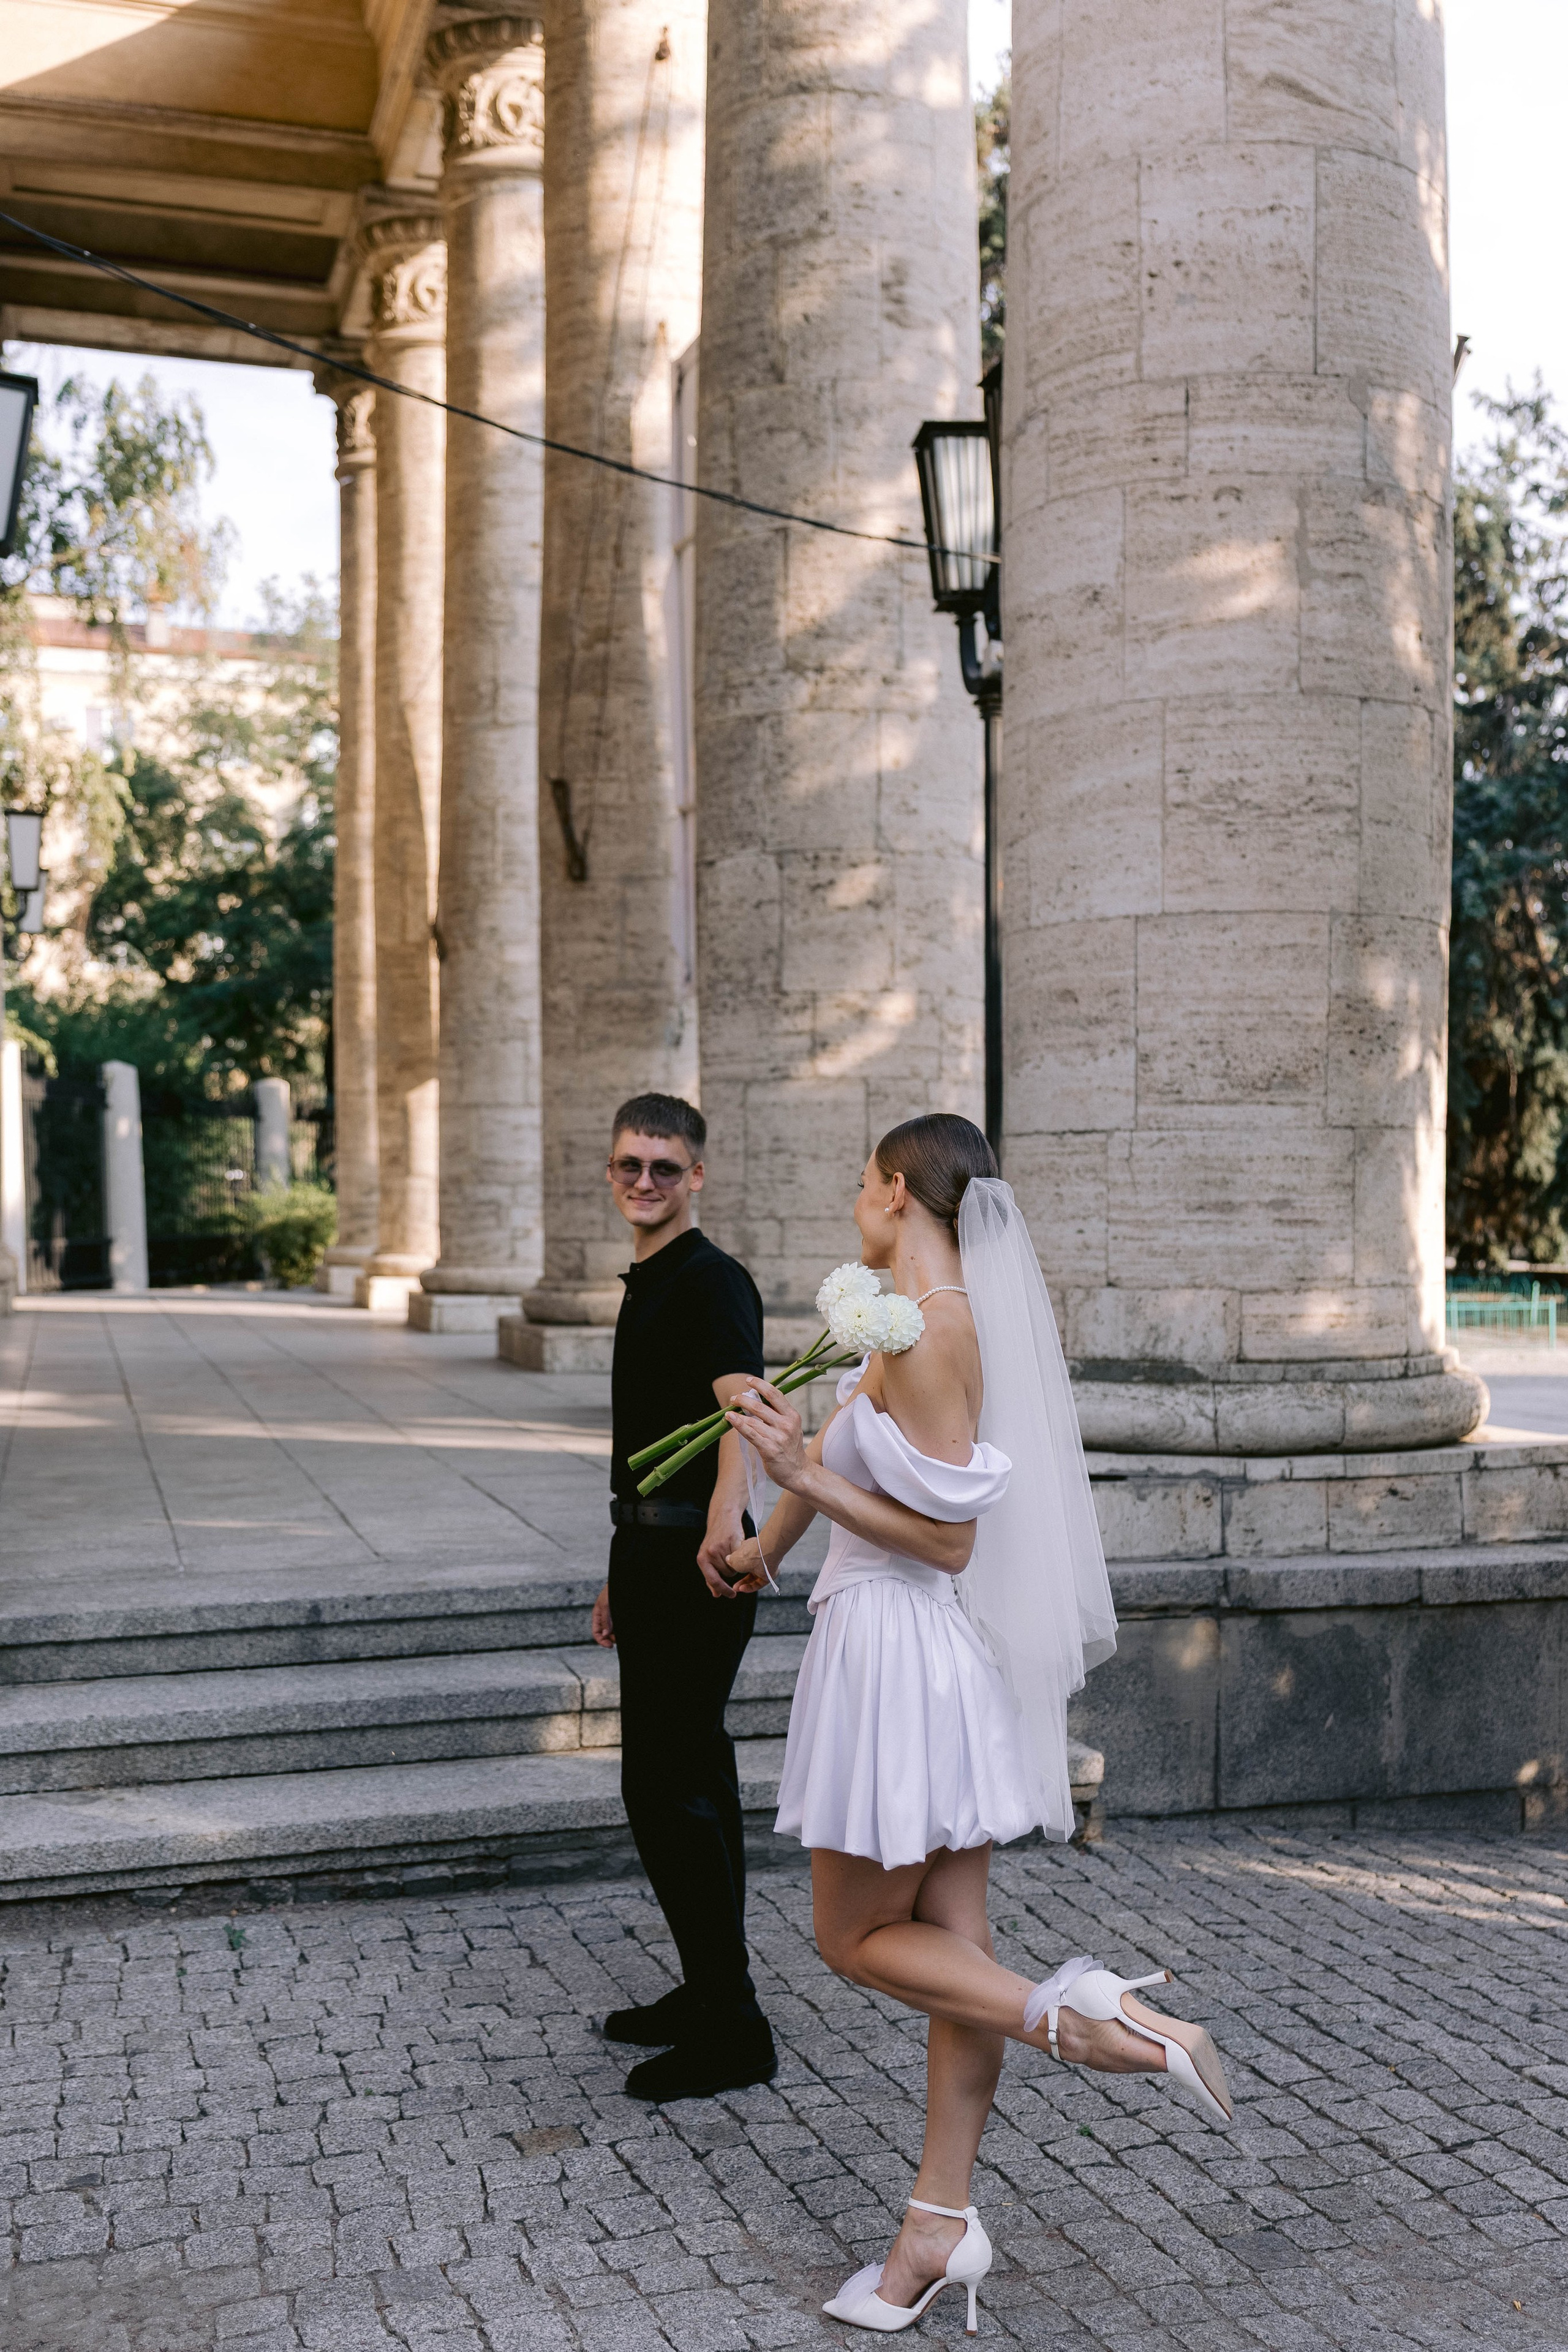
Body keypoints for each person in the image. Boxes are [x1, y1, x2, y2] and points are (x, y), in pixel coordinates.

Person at [724, 1112, 1233, 2334]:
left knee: (852, 1937)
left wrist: (795, 1475)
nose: (855, 1200)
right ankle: (935, 2226)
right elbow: (850, 1455)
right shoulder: (904, 1324)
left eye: (863, 1181)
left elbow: (947, 1540)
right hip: (918, 1656)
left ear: (899, 1191)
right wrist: (755, 1543)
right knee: (955, 1948)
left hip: (893, 1655)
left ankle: (1083, 2016)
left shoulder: (930, 1331)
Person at [590, 1091, 777, 2100]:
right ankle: (713, 1993)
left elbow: (746, 1408)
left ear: (697, 1176)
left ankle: (733, 2028)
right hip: (650, 1554)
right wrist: (618, 1566)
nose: (646, 1181)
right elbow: (651, 1436)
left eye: (666, 1167)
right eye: (631, 1164)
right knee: (689, 1781)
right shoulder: (652, 1279)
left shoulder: (711, 1279)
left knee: (668, 1791)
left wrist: (724, 1519)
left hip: (697, 1565)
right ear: (611, 1171)